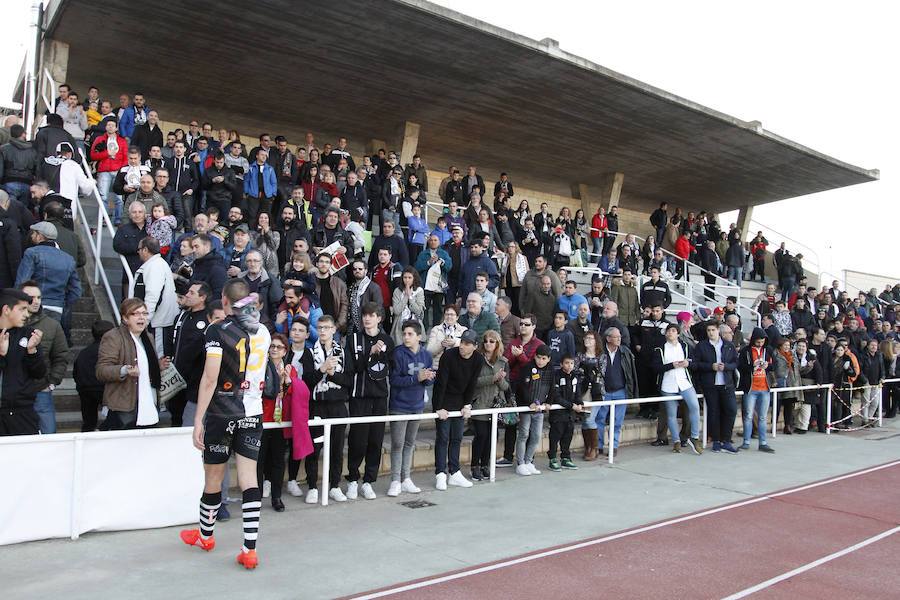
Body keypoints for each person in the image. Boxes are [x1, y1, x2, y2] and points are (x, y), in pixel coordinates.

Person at [179, 280, 270, 569]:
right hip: (253, 412)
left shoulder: (216, 330)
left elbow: (210, 378)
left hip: (221, 412)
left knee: (214, 478)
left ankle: (206, 537)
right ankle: (250, 549)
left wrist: (197, 420)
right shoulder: (264, 331)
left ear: (224, 300)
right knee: (249, 480)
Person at [342, 304, 394, 500]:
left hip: (380, 397)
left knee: (375, 441)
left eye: (371, 315)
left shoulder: (387, 340)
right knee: (358, 440)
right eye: (364, 315)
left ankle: (369, 481)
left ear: (379, 318)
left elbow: (388, 367)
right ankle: (353, 480)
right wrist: (369, 352)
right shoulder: (353, 339)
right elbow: (352, 367)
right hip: (359, 396)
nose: (367, 318)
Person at [96, 298, 163, 430]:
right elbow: (101, 370)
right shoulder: (114, 336)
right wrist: (123, 370)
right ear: (125, 318)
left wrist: (158, 366)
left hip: (149, 403)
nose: (141, 317)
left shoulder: (148, 337)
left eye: (144, 313)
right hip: (124, 405)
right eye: (135, 314)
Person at [387, 320, 434, 496]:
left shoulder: (426, 355)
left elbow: (428, 380)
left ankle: (406, 478)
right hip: (399, 405)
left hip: (417, 405)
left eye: (410, 334)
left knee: (409, 443)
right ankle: (395, 480)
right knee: (397, 444)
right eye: (404, 334)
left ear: (419, 337)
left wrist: (428, 377)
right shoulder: (398, 354)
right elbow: (394, 381)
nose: (406, 337)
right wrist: (417, 378)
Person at [306, 315, 350, 503]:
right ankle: (312, 487)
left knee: (337, 449)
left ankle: (334, 485)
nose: (323, 331)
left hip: (338, 406)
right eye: (320, 327)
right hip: (318, 406)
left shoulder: (342, 352)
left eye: (326, 327)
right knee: (314, 449)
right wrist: (322, 369)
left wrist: (332, 375)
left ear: (334, 330)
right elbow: (307, 382)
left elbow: (349, 381)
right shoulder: (310, 352)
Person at [431, 329, 482, 490]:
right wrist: (439, 407)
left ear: (475, 346)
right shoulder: (449, 355)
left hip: (460, 400)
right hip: (444, 399)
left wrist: (467, 404)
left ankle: (454, 472)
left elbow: (472, 383)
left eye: (467, 344)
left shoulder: (478, 359)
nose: (462, 346)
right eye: (462, 342)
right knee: (443, 438)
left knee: (457, 438)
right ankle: (440, 473)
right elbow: (441, 383)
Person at [16, 221, 81, 342]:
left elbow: (22, 282)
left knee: (30, 343)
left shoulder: (32, 253)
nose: (31, 236)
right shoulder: (68, 259)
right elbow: (76, 291)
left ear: (40, 236)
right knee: (50, 344)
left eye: (34, 233)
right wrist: (63, 303)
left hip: (34, 307)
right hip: (57, 308)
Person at [20, 281, 69, 434]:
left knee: (49, 436)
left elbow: (61, 356)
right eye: (31, 297)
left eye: (39, 297)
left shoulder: (52, 325)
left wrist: (52, 382)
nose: (36, 301)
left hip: (40, 389)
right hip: (13, 391)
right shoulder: (9, 323)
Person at [0, 288, 46, 435]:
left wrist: (32, 351)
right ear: (7, 309)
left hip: (22, 413)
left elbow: (39, 373)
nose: (27, 314)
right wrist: (1, 354)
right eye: (22, 309)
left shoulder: (29, 334)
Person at [166, 282, 211, 428]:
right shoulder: (182, 317)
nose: (187, 295)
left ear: (202, 297)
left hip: (195, 382)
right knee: (175, 416)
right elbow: (172, 341)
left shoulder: (208, 319)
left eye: (192, 293)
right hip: (176, 379)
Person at [653, 323, 702, 454]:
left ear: (678, 333)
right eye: (668, 331)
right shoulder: (660, 348)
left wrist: (688, 363)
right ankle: (676, 441)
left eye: (673, 331)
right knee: (671, 414)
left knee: (695, 407)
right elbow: (656, 367)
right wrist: (671, 365)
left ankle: (695, 437)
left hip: (684, 382)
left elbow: (694, 362)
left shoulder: (685, 346)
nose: (670, 333)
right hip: (668, 384)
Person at [693, 321, 739, 453]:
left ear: (718, 330)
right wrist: (710, 366)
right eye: (709, 330)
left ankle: (726, 440)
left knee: (731, 410)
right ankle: (716, 441)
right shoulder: (702, 346)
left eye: (713, 330)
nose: (711, 333)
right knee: (714, 412)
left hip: (727, 383)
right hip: (710, 384)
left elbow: (735, 363)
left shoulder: (728, 345)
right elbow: (696, 364)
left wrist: (726, 367)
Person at [130, 237, 179, 353]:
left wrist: (144, 320)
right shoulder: (153, 264)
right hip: (153, 321)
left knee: (158, 358)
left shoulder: (156, 266)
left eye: (139, 249)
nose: (138, 252)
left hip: (158, 322)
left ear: (145, 250)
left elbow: (153, 297)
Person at [514, 344, 553, 476]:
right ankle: (520, 463)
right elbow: (522, 388)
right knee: (524, 434)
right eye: (538, 358)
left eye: (543, 359)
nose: (540, 361)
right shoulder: (527, 368)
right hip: (527, 408)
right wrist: (528, 402)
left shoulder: (551, 370)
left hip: (540, 409)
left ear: (548, 359)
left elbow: (552, 388)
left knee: (536, 436)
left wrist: (549, 402)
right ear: (535, 356)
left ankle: (529, 461)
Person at [737, 328, 776, 452]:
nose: (760, 344)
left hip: (765, 387)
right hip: (750, 388)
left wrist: (767, 366)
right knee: (748, 416)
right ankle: (746, 442)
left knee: (763, 417)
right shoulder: (745, 351)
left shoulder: (768, 350)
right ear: (753, 340)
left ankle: (763, 442)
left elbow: (775, 365)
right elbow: (740, 366)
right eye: (758, 342)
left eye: (762, 341)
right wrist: (752, 366)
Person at [74, 320, 115, 432]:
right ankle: (102, 430)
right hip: (104, 389)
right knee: (115, 416)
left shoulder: (84, 352)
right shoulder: (109, 351)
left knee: (88, 421)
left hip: (85, 389)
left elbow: (76, 371)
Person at [390, 267, 425, 345]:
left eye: (410, 277)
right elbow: (396, 311)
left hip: (415, 323)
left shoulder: (419, 291)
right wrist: (405, 296)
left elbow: (418, 311)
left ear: (414, 278)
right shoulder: (397, 291)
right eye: (405, 277)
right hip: (400, 324)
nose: (407, 280)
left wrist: (410, 297)